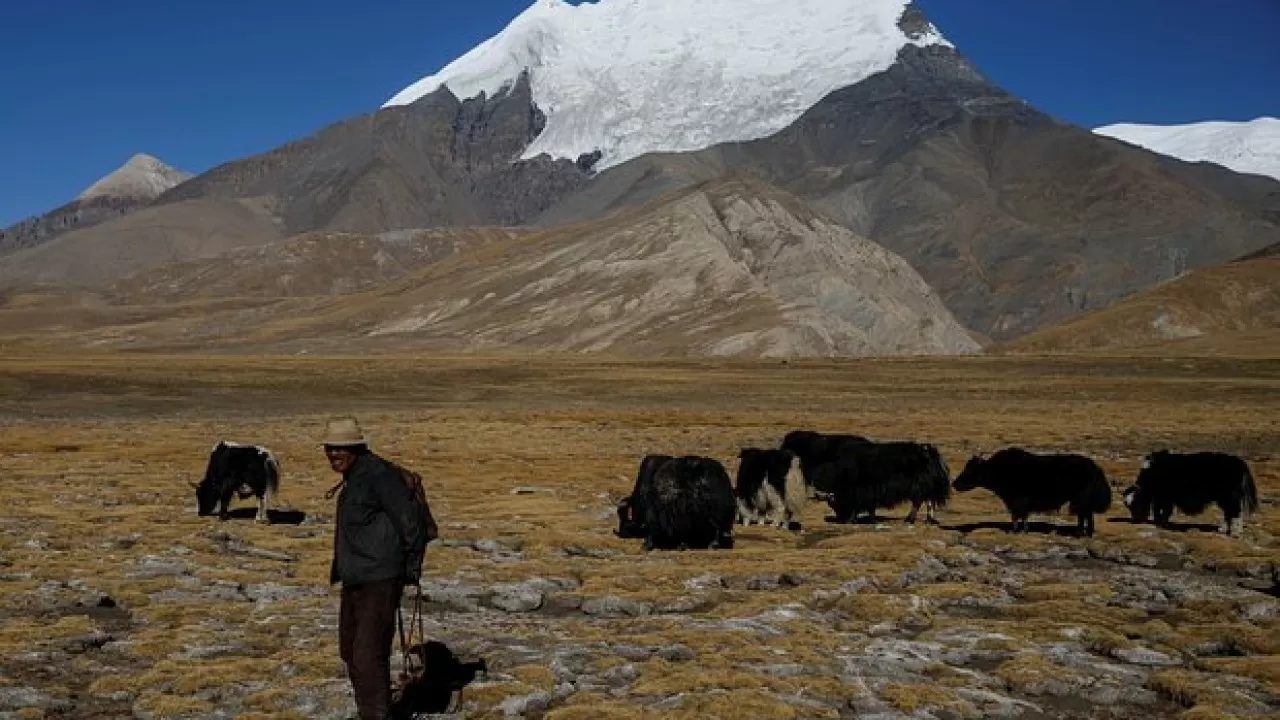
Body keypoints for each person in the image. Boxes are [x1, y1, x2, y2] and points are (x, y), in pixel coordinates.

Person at [323, 417, 430, 720]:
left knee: (368, 654)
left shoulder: (379, 475)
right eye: (330, 448)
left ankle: (376, 714)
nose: (334, 454)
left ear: (356, 447)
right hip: (355, 577)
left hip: (380, 579)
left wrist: (410, 569)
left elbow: (410, 524)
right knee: (350, 650)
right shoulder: (356, 476)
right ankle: (371, 710)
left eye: (341, 448)